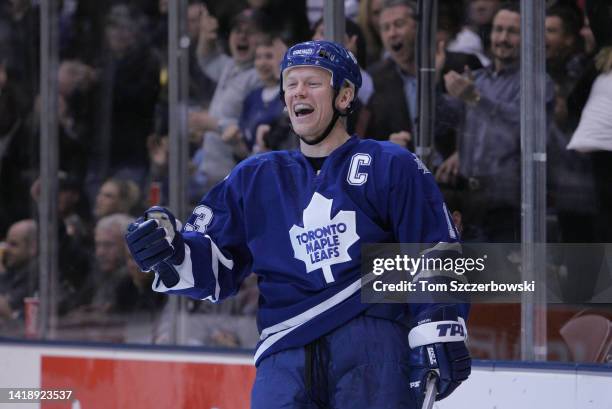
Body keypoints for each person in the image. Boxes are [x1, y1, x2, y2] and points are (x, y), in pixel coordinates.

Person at [126, 40, 470, 408]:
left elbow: (434, 251)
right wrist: (170, 250)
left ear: (345, 95)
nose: (298, 92)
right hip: (283, 351)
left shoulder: (390, 165)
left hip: (372, 344)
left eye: (313, 82)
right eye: (291, 83)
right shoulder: (254, 177)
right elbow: (214, 270)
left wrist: (440, 324)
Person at [438, 3, 554, 242]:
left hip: (508, 204)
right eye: (498, 29)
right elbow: (441, 122)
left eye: (512, 31)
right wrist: (435, 78)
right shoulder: (477, 79)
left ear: (528, 36)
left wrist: (475, 98)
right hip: (468, 199)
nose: (503, 38)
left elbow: (522, 127)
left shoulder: (538, 81)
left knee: (501, 277)